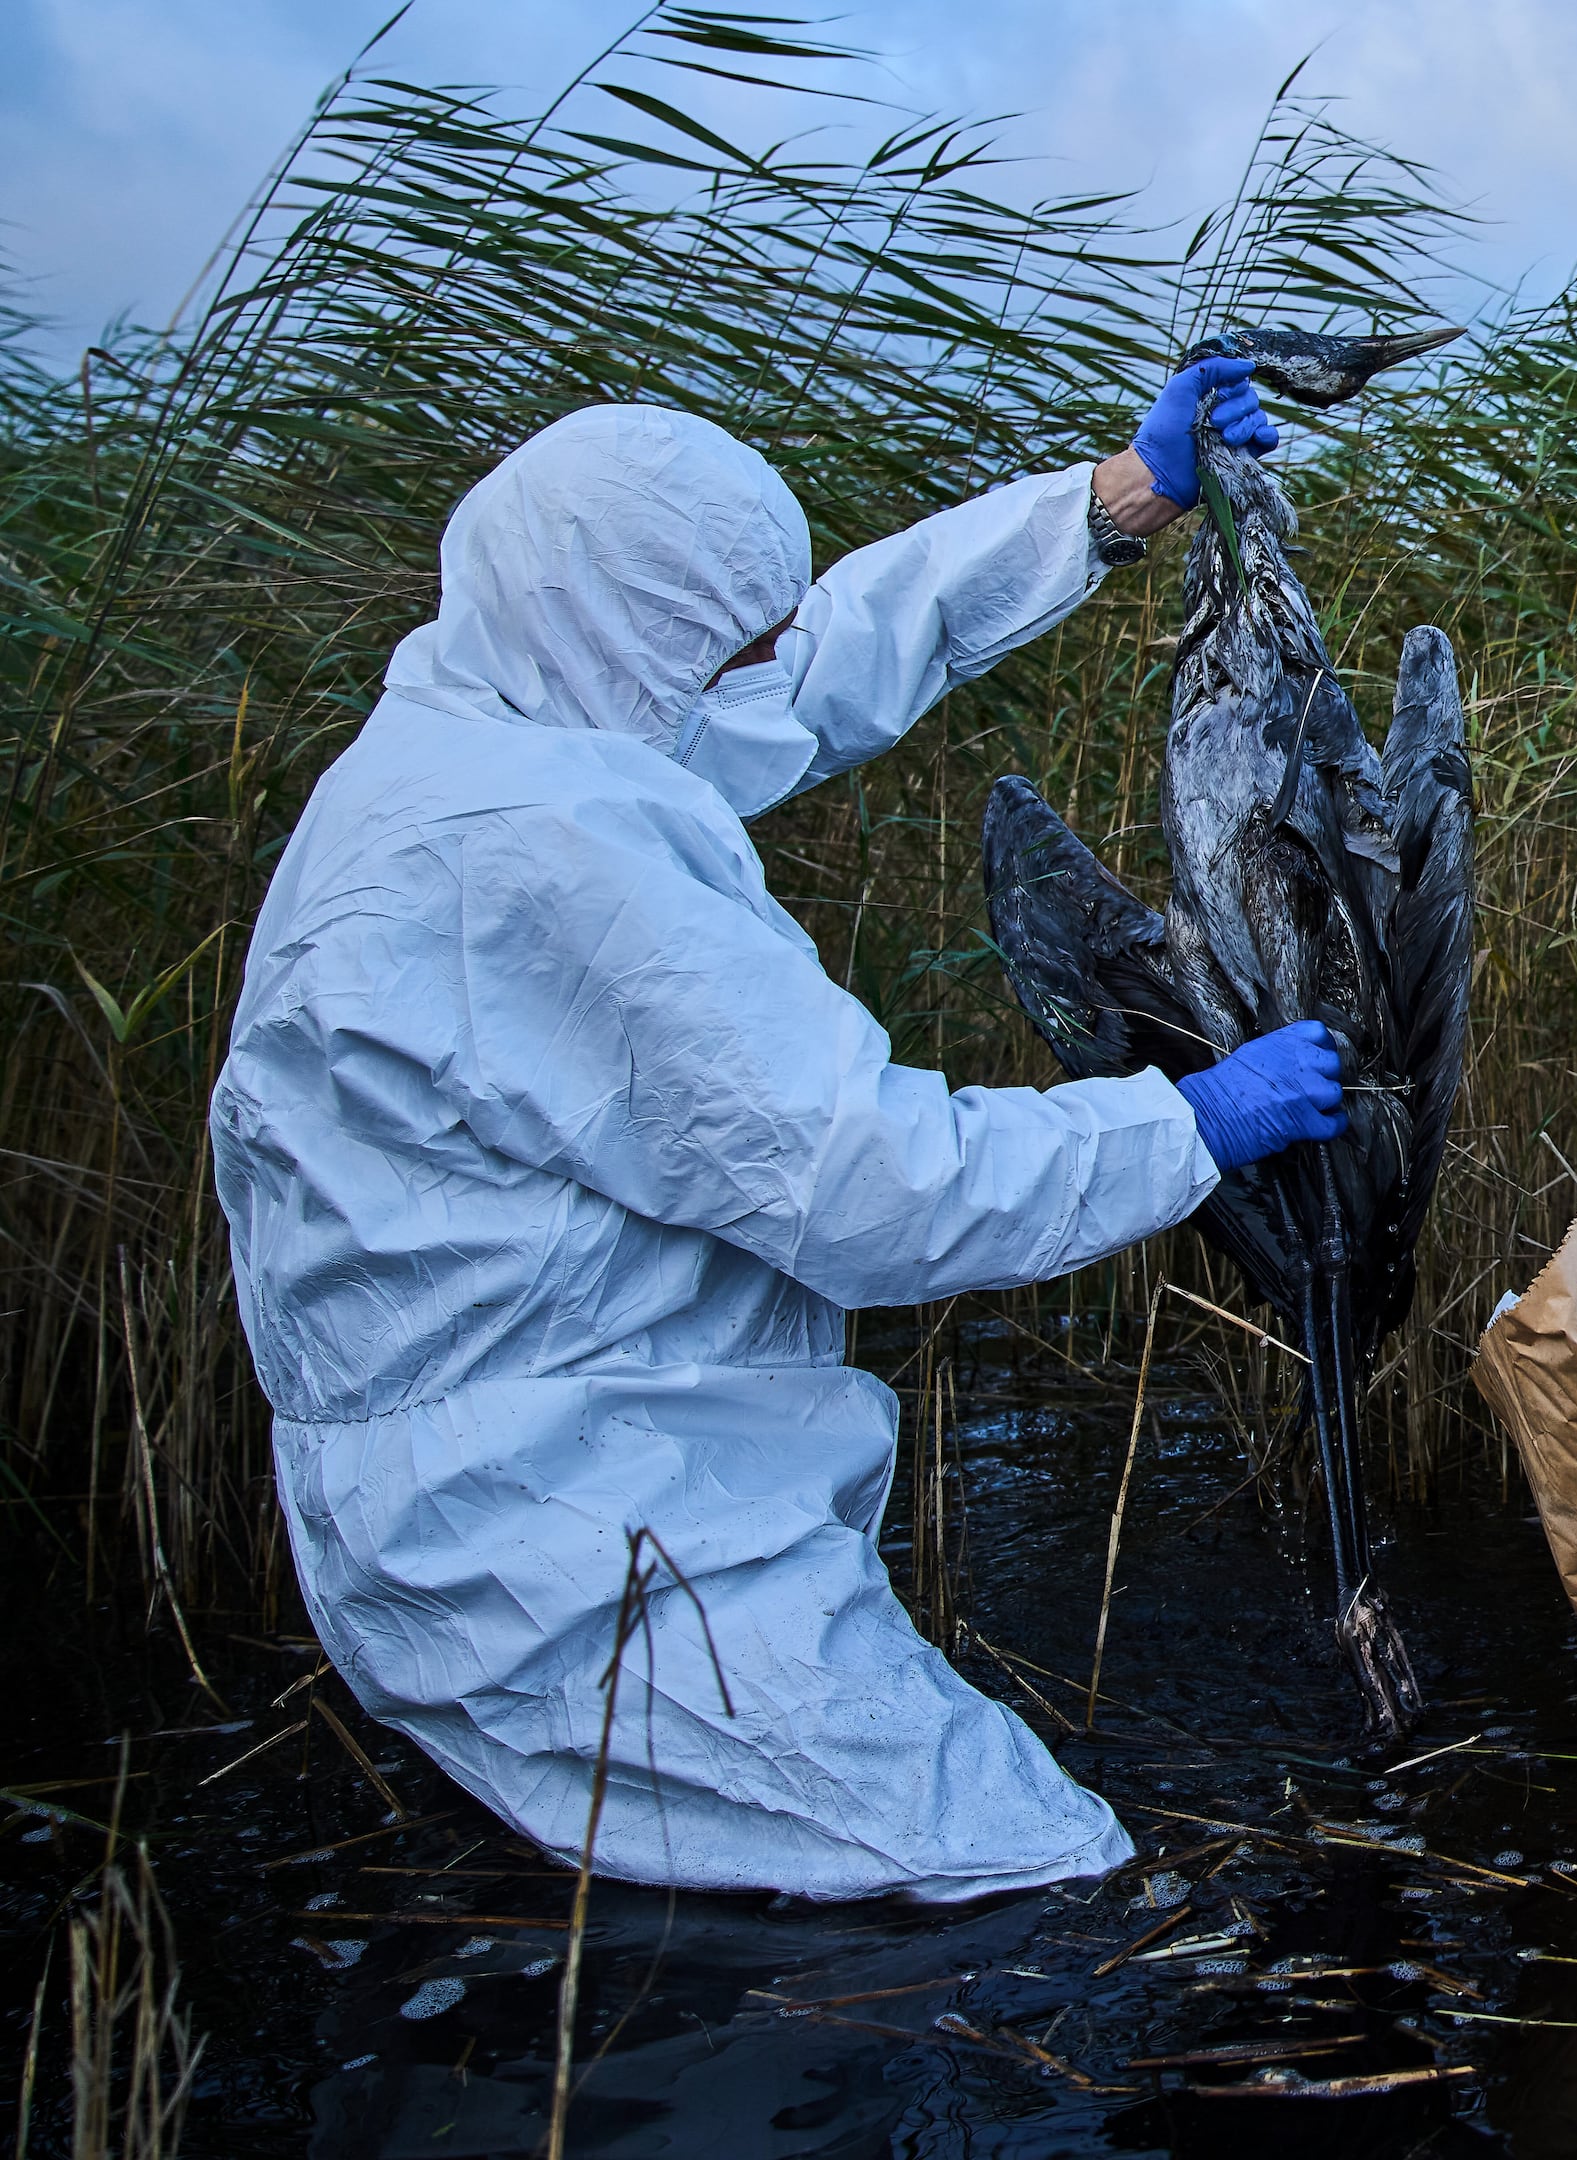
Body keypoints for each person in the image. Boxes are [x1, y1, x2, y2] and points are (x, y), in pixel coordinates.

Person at [211, 364, 1351, 1902]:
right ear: (630, 628)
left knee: (680, 1894)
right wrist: (1192, 1123)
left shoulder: (493, 725)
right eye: (725, 637)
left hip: (535, 1482)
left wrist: (1109, 505)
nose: (760, 665)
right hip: (572, 1539)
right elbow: (870, 1189)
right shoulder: (538, 849)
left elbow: (810, 674)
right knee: (1019, 1870)